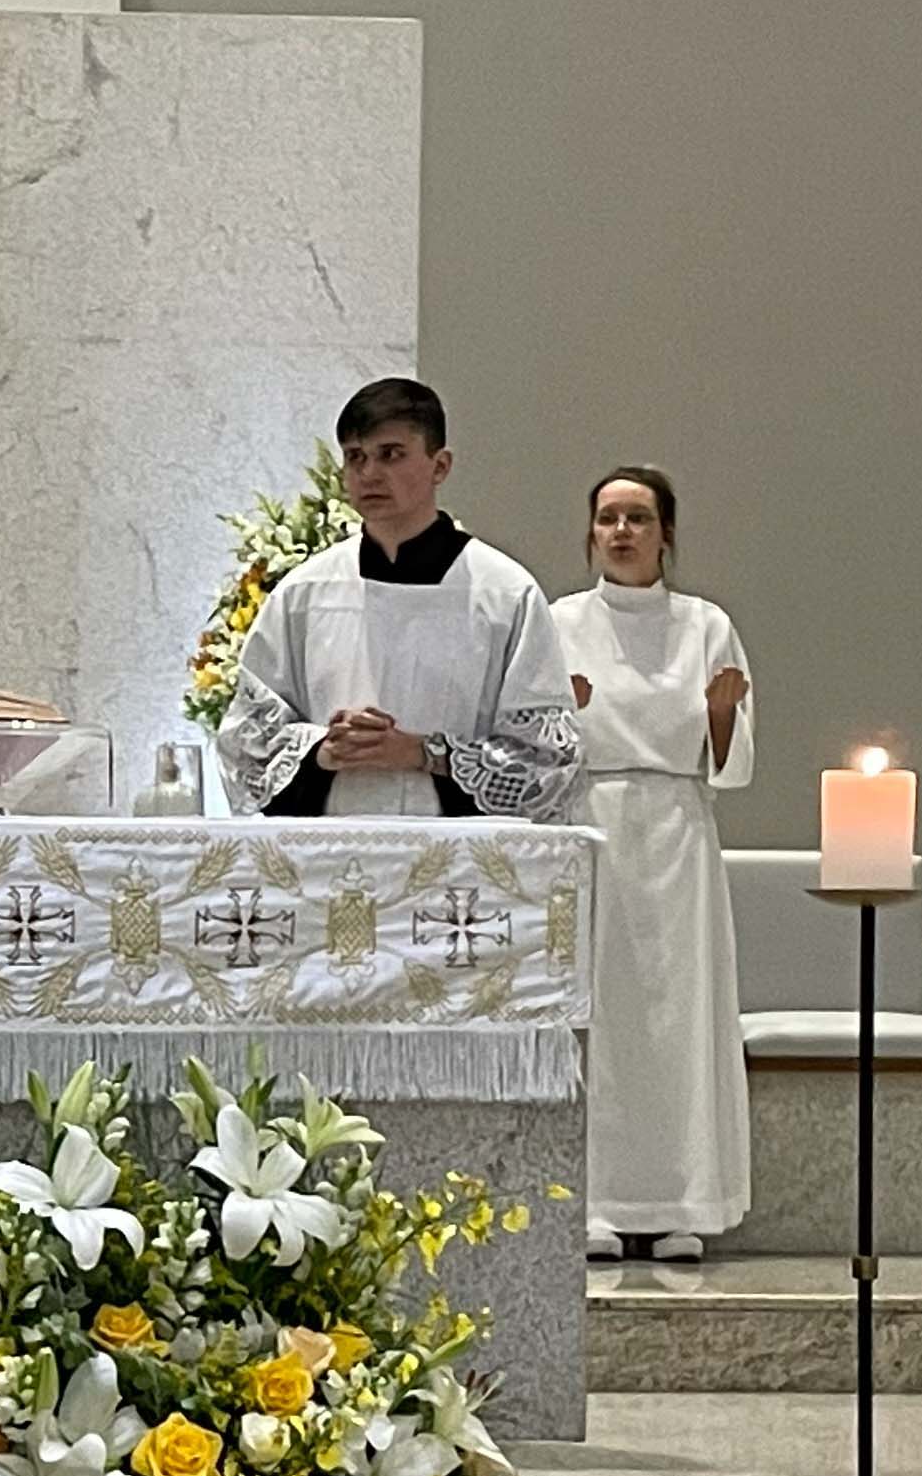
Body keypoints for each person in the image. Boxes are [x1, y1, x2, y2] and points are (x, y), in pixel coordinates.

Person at [218, 377, 581, 822]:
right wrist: (322, 751)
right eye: (356, 457)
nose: (369, 474)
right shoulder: (304, 592)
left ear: (440, 466)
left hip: (460, 854)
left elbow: (548, 763)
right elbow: (246, 748)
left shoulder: (505, 594)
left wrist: (424, 753)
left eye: (390, 454)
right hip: (329, 846)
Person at [552, 467, 753, 1264]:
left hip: (675, 835)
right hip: (591, 825)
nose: (622, 532)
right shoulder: (560, 623)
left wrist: (721, 716)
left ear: (666, 532)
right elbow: (533, 743)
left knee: (677, 1017)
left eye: (638, 517)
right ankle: (597, 1201)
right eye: (608, 518)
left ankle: (680, 1204)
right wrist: (559, 717)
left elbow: (729, 759)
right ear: (591, 532)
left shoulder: (705, 625)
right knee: (600, 1014)